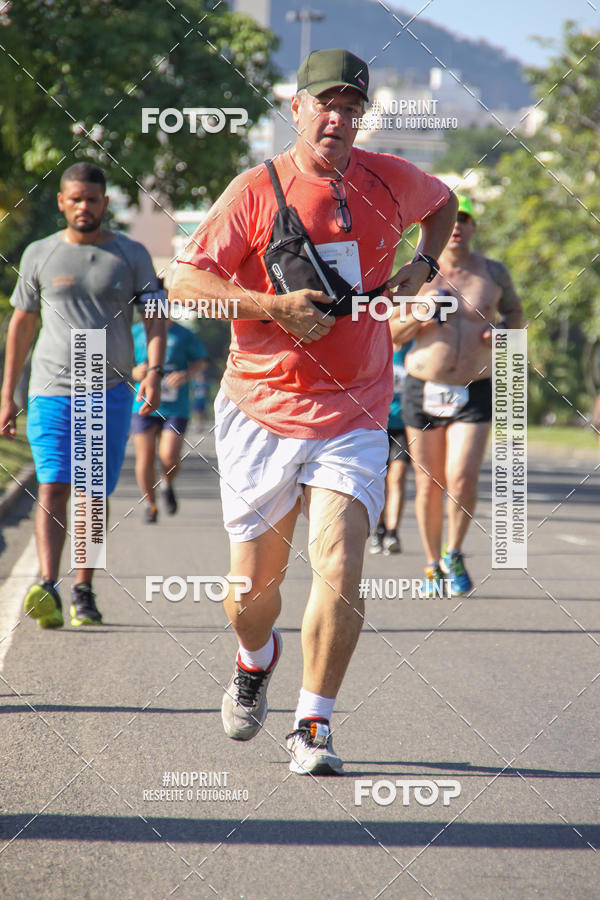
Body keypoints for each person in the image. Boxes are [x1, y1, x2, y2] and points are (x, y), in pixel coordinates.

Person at [170, 48, 457, 774]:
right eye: (325, 105)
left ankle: (313, 725)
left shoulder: (392, 179)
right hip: (262, 408)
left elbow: (446, 202)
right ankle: (253, 655)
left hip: (355, 410)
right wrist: (271, 307)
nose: (338, 119)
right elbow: (183, 282)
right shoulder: (256, 191)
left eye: (352, 108)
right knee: (250, 595)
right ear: (295, 109)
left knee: (341, 563)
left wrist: (420, 268)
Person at [0, 163, 165, 628]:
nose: (84, 207)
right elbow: (22, 324)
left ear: (105, 203)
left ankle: (83, 588)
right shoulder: (39, 254)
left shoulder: (130, 255)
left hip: (107, 390)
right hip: (50, 390)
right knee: (52, 484)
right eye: (75, 199)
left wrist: (153, 371)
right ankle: (48, 584)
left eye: (92, 200)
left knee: (92, 493)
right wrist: (7, 393)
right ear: (61, 202)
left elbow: (155, 316)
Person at [398, 194, 522, 596]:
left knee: (463, 478)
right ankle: (432, 562)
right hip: (423, 385)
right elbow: (388, 331)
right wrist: (419, 313)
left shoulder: (493, 273)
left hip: (475, 387)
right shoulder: (416, 274)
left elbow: (516, 315)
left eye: (464, 218)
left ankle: (454, 550)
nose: (456, 226)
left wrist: (503, 333)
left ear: (472, 227)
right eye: (451, 219)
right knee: (429, 481)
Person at [131, 318, 207, 522]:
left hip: (175, 406)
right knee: (145, 457)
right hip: (142, 404)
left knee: (169, 457)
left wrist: (186, 375)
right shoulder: (136, 332)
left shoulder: (183, 334)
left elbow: (201, 361)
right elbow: (121, 362)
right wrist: (134, 372)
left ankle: (166, 483)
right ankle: (150, 504)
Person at [369, 339, 414, 556]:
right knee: (379, 479)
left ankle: (392, 532)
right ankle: (379, 528)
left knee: (398, 477)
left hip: (404, 425)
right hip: (378, 423)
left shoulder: (417, 346)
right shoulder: (378, 343)